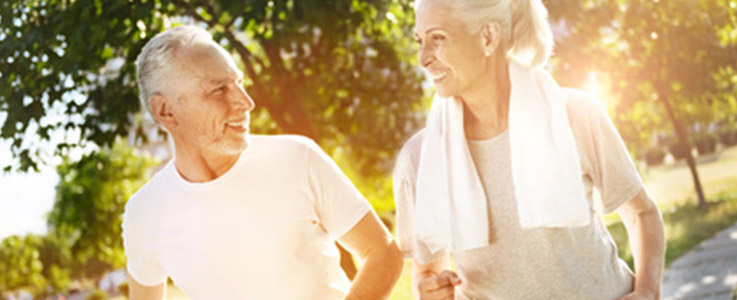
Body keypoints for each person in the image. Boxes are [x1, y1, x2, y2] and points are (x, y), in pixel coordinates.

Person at [392, 0, 665, 299]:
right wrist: (431, 291)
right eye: (419, 41)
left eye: (437, 38)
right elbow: (428, 271)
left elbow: (642, 214)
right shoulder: (419, 160)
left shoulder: (573, 115)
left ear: (488, 37)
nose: (423, 59)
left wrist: (648, 293)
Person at [122, 25, 402, 300]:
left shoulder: (297, 158)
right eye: (219, 90)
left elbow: (382, 251)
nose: (246, 102)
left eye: (239, 84)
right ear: (166, 110)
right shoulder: (144, 214)